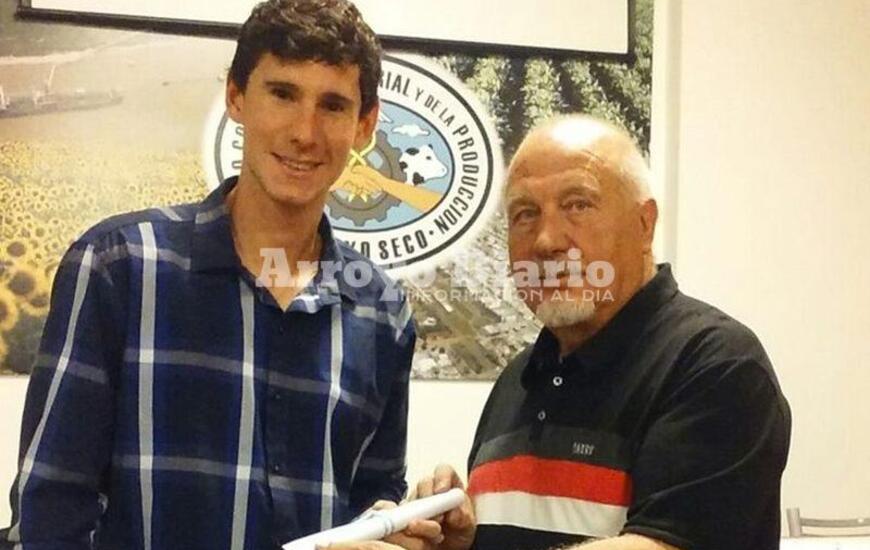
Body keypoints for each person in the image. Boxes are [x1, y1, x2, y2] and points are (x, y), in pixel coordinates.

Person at [0, 1, 441, 549]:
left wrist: (397, 527)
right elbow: (50, 510)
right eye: (282, 94)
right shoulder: (120, 266)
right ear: (236, 97)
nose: (305, 132)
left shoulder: (381, 310)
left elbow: (372, 496)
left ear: (365, 125)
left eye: (332, 105)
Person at [413, 115, 791, 550]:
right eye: (525, 213)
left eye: (578, 204)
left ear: (644, 224)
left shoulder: (717, 365)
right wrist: (461, 542)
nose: (546, 241)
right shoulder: (517, 380)